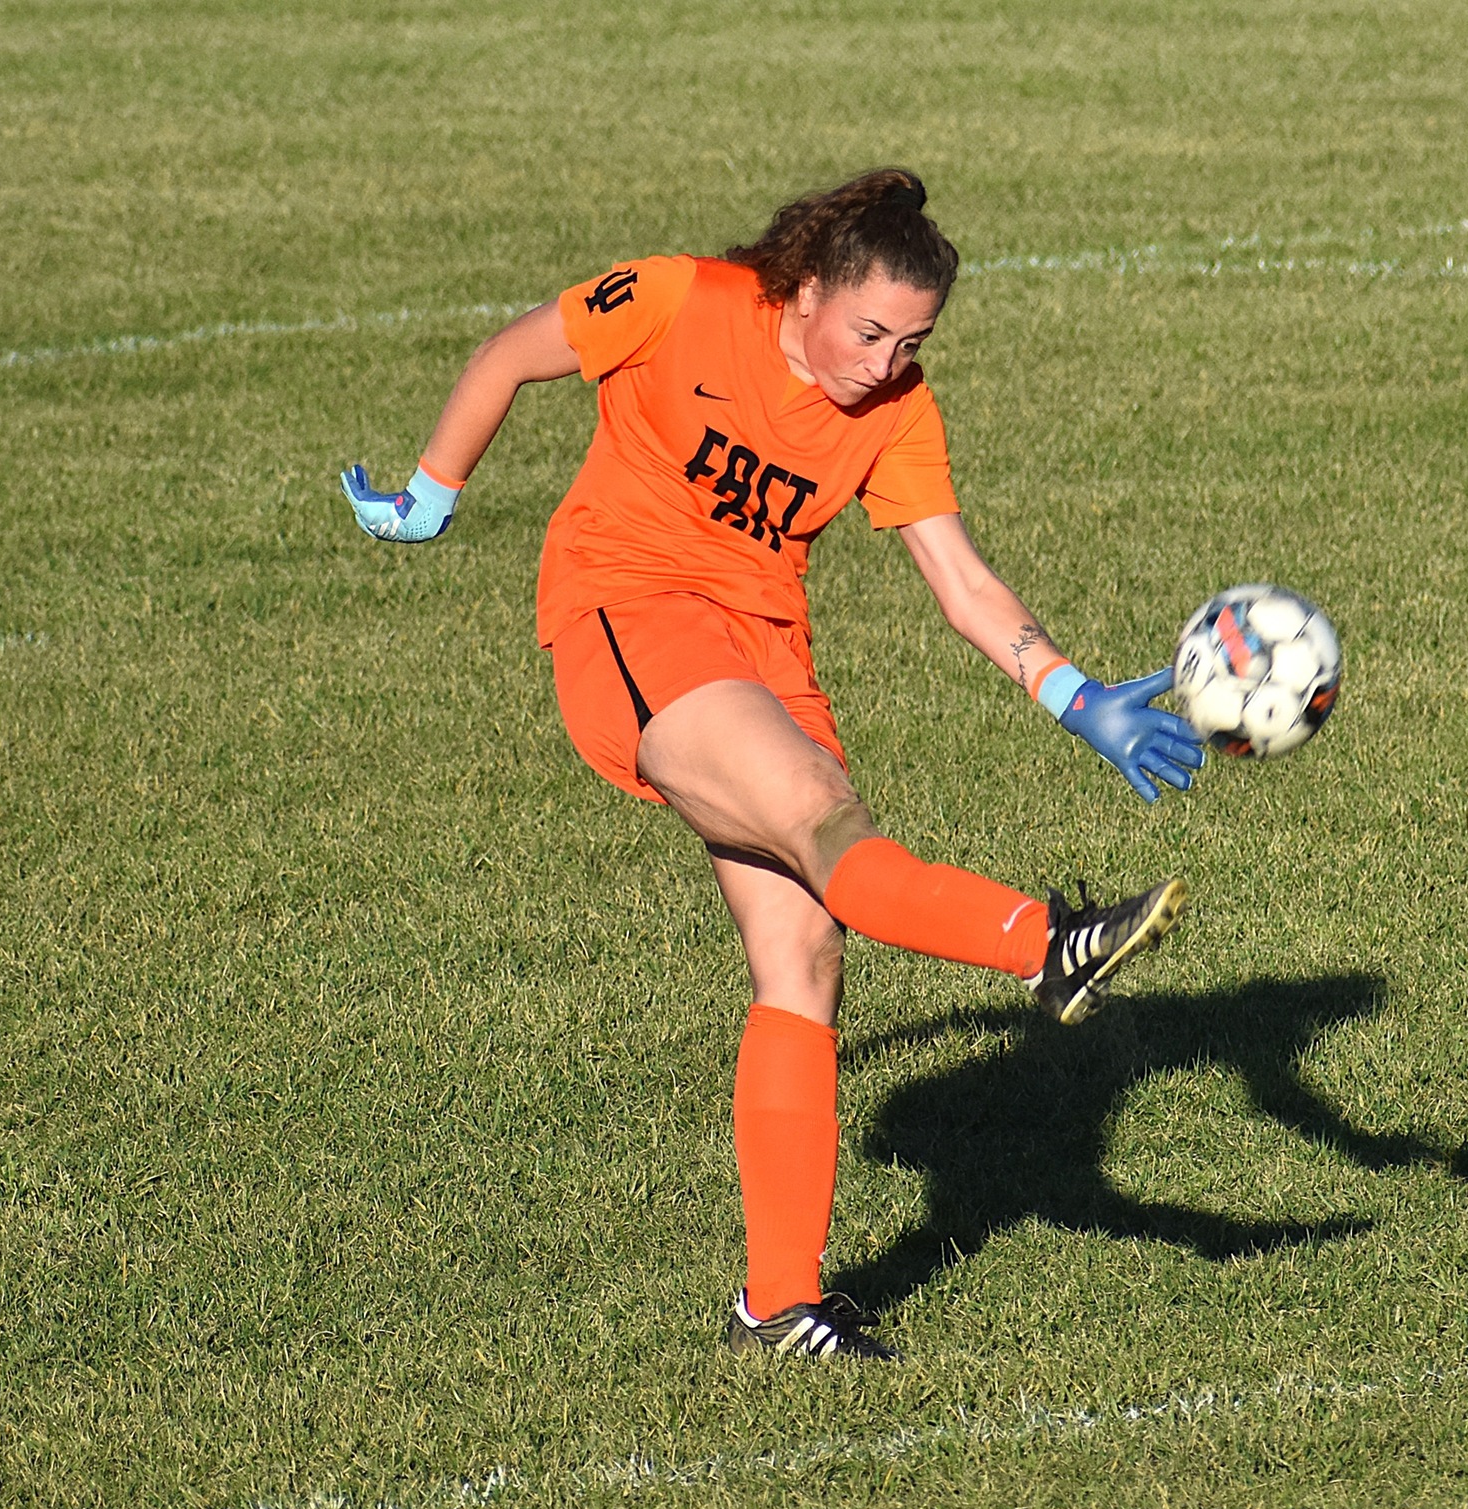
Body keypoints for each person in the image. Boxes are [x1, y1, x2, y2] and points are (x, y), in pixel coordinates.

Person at [340, 168, 1206, 1361]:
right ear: (804, 292)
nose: (887, 361)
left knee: (802, 954)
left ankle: (777, 1305)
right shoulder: (678, 299)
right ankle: (1045, 944)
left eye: (913, 340)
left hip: (765, 653)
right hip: (630, 612)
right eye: (869, 331)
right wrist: (431, 494)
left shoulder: (897, 409)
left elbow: (959, 582)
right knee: (818, 823)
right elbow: (509, 355)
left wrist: (1070, 693)